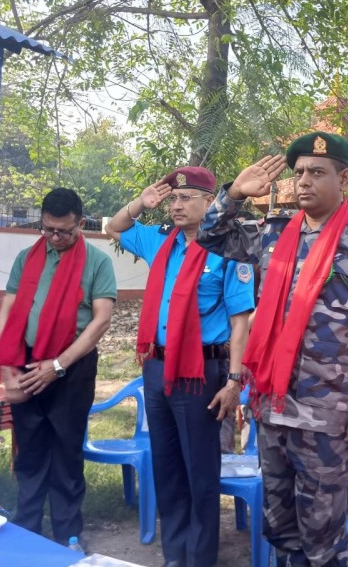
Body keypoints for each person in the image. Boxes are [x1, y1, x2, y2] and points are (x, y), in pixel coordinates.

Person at [197, 132, 348, 566]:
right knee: (281, 529)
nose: (304, 181)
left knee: (323, 536)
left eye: (317, 172)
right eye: (299, 173)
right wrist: (234, 193)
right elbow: (209, 235)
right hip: (272, 407)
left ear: (343, 177)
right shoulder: (274, 235)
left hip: (329, 413)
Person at [105, 167, 254, 567]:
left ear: (210, 203)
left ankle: (199, 559)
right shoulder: (160, 242)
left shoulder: (228, 250)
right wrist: (141, 201)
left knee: (199, 472)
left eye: (186, 197)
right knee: (167, 467)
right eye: (173, 198)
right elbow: (117, 226)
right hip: (156, 368)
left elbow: (241, 320)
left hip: (200, 373)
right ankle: (175, 556)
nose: (176, 205)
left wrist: (235, 381)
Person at [0, 188, 117, 548]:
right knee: (30, 452)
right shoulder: (26, 257)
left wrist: (59, 365)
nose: (55, 238)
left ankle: (67, 537)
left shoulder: (97, 262)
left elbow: (101, 321)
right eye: (48, 230)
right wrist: (6, 365)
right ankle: (27, 531)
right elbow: (10, 309)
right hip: (27, 361)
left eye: (64, 231)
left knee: (65, 454)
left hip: (72, 368)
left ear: (80, 223)